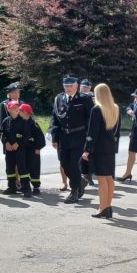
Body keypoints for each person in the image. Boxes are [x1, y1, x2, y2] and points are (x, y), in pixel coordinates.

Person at [49, 75, 93, 204]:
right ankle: (81, 181)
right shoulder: (59, 98)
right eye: (66, 86)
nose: (68, 88)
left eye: (70, 85)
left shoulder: (85, 98)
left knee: (74, 164)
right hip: (63, 137)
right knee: (64, 164)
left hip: (79, 137)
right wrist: (54, 137)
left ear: (76, 86)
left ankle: (74, 192)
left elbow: (91, 120)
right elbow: (55, 118)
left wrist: (89, 138)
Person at [83, 83, 121, 219]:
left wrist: (87, 149)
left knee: (101, 179)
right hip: (110, 147)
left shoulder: (97, 109)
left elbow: (92, 132)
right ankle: (108, 207)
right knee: (109, 178)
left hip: (99, 148)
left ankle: (103, 207)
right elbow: (117, 132)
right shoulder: (115, 108)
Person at [18, 103, 46, 194]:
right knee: (24, 167)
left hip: (33, 150)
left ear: (25, 112)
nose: (19, 112)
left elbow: (41, 138)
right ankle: (25, 185)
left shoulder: (34, 124)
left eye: (20, 110)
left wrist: (38, 148)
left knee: (34, 168)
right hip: (23, 149)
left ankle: (36, 187)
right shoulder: (21, 122)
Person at [0, 100, 24, 195]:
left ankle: (25, 187)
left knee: (22, 168)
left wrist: (18, 143)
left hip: (19, 149)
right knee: (9, 168)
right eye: (13, 108)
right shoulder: (6, 121)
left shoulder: (23, 120)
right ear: (8, 110)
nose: (16, 109)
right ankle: (11, 187)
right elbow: (2, 133)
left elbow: (25, 133)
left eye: (17, 107)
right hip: (9, 149)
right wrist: (6, 143)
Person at [78, 79, 95, 187]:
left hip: (88, 130)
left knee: (88, 154)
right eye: (84, 87)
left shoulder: (92, 98)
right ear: (80, 86)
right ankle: (80, 176)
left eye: (87, 88)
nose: (85, 89)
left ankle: (88, 176)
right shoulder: (76, 96)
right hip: (78, 129)